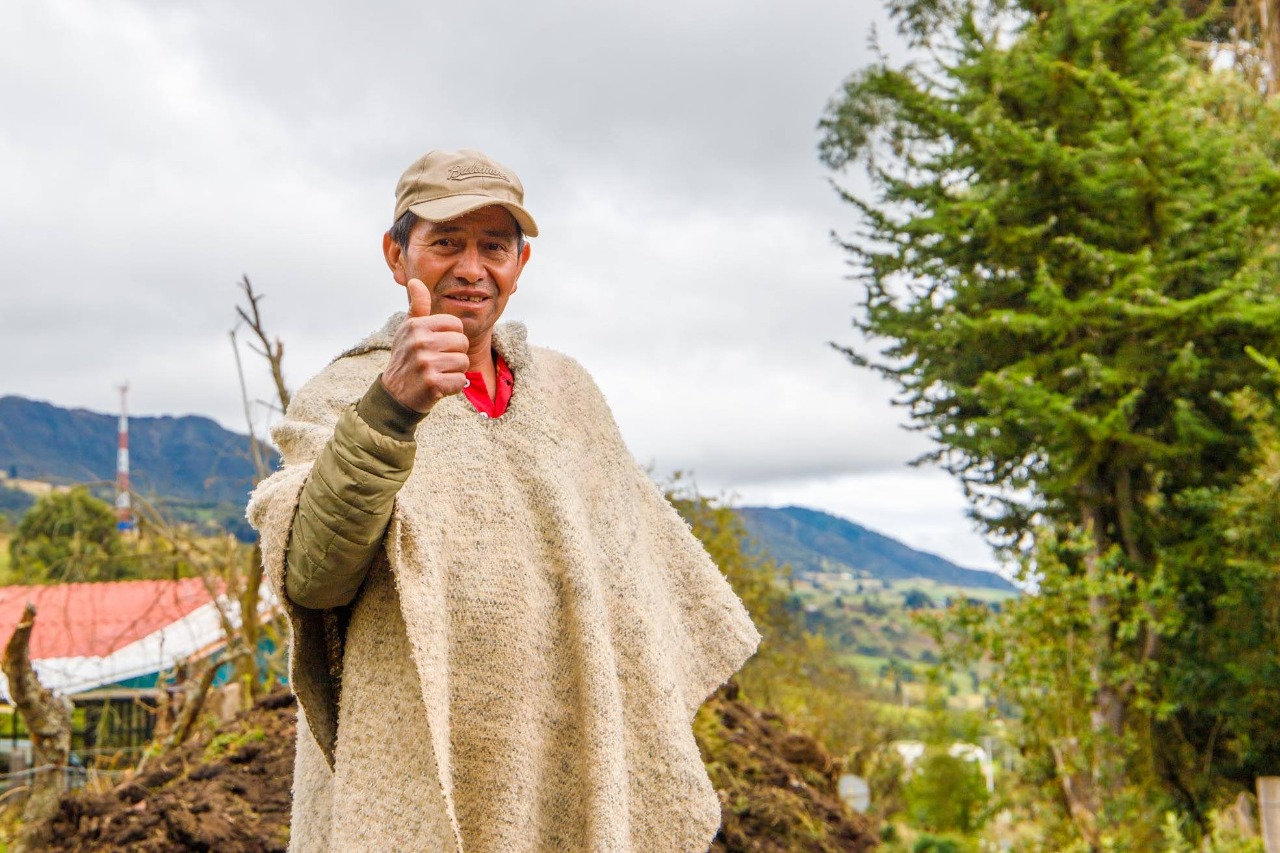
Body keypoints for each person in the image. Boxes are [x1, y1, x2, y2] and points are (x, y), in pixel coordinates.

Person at [248, 148, 760, 852]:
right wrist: (390, 411)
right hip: (415, 777)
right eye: (445, 242)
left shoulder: (567, 395)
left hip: (562, 756)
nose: (470, 267)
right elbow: (314, 575)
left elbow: (637, 591)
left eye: (494, 245)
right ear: (397, 257)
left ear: (520, 266)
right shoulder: (343, 397)